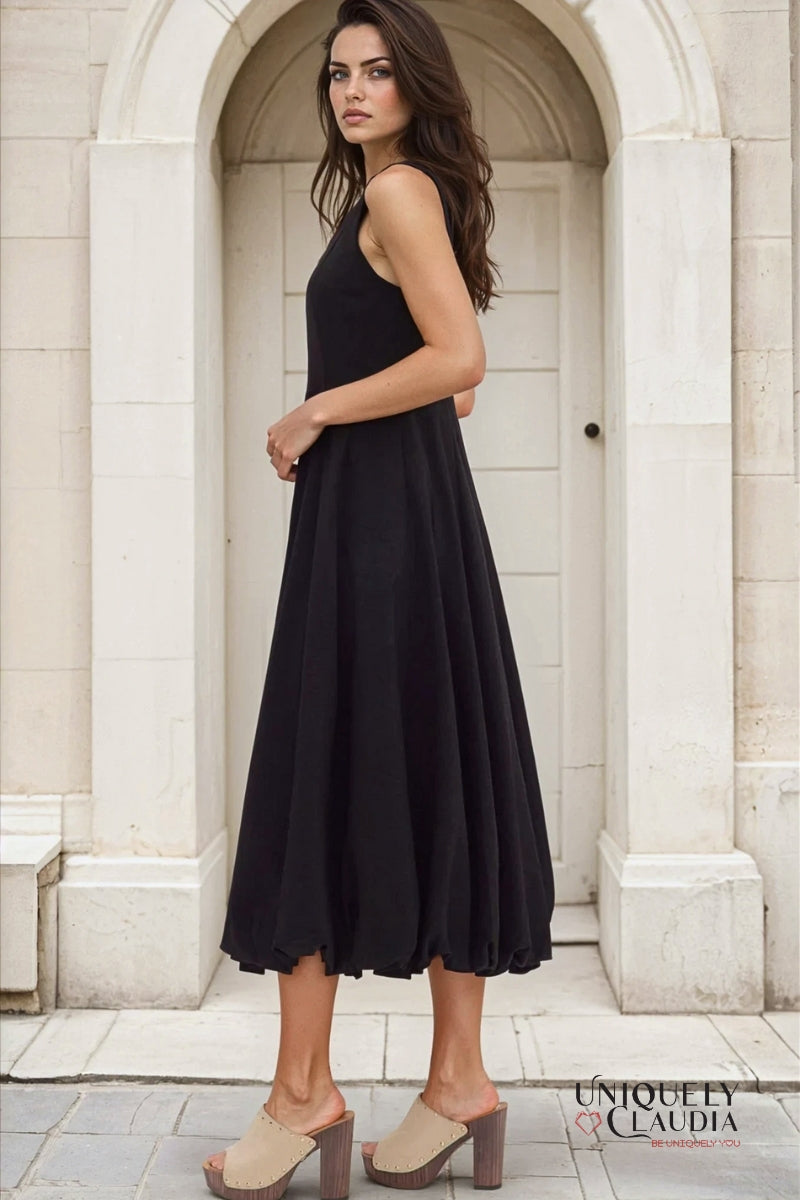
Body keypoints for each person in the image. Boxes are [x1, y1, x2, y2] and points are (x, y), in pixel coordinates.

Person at [203, 1, 555, 1196]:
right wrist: (381, 396)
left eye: (377, 71)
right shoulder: (408, 198)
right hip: (405, 521)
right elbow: (445, 379)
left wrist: (317, 408)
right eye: (338, 72)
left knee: (325, 772)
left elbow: (459, 361)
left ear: (415, 86)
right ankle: (456, 1082)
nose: (353, 90)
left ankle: (303, 1095)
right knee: (426, 767)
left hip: (375, 533)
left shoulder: (397, 193)